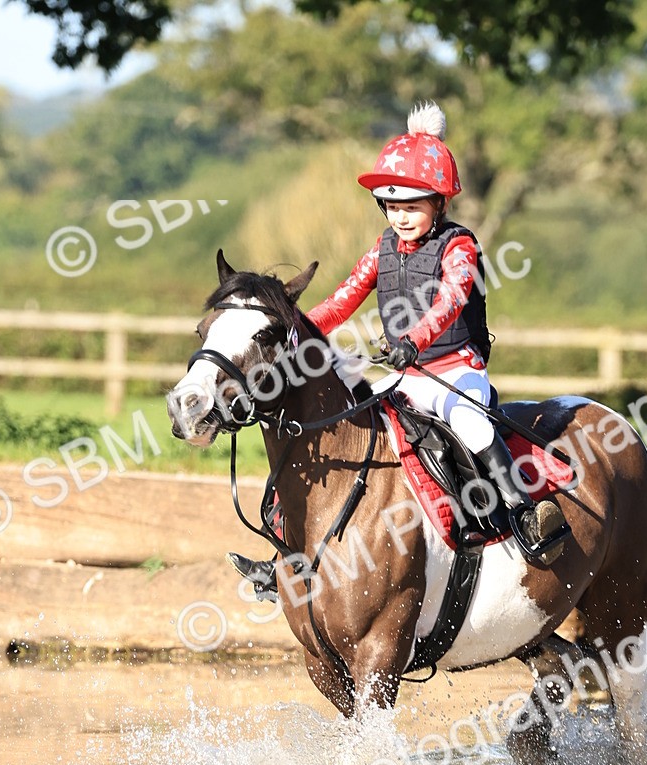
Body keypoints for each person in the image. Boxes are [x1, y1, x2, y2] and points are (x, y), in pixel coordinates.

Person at [230, 102, 569, 599]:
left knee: (472, 426)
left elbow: (451, 300)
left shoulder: (460, 247)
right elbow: (345, 298)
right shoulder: (381, 249)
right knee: (342, 428)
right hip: (405, 375)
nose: (400, 217)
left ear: (439, 204)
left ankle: (523, 518)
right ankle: (286, 546)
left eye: (412, 206)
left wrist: (414, 341)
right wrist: (293, 328)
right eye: (392, 207)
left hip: (456, 371)